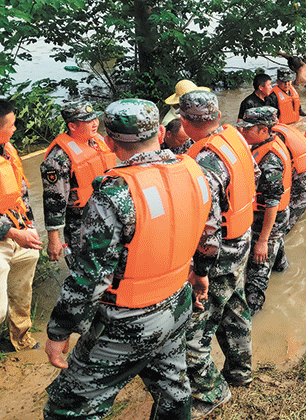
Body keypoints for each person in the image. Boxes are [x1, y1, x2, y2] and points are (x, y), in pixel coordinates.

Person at [43, 99, 223, 420]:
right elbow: (210, 240)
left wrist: (59, 332)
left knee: (67, 407)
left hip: (128, 321)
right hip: (177, 302)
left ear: (110, 142)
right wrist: (201, 276)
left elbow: (89, 277)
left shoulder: (115, 194)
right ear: (158, 131)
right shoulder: (199, 172)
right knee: (173, 388)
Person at [181, 89, 258, 418]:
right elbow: (253, 175)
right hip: (242, 237)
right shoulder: (234, 137)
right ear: (216, 115)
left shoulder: (205, 160)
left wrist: (199, 273)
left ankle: (211, 393)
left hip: (220, 251)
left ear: (185, 123)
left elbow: (208, 227)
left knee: (193, 333)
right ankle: (241, 372)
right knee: (236, 310)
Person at [40, 101, 117, 262]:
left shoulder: (98, 141)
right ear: (72, 126)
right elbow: (54, 201)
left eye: (95, 118)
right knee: (87, 270)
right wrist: (54, 239)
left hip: (109, 215)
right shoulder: (58, 159)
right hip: (82, 225)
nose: (95, 123)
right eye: (88, 121)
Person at [237, 107, 290, 314]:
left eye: (248, 129)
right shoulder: (267, 144)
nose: (242, 132)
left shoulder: (270, 160)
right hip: (268, 217)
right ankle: (283, 270)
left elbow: (272, 202)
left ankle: (253, 312)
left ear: (263, 130)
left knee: (257, 270)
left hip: (270, 219)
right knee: (275, 250)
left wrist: (262, 241)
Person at [0, 98, 42, 353]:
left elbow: (22, 192)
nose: (15, 129)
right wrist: (13, 233)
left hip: (17, 230)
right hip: (4, 235)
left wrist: (30, 225)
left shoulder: (9, 149)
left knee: (23, 285)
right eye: (11, 125)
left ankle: (21, 336)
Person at [270, 122, 306, 272]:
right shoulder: (280, 130)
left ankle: (282, 269)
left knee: (280, 230)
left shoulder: (275, 141)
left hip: (304, 185)